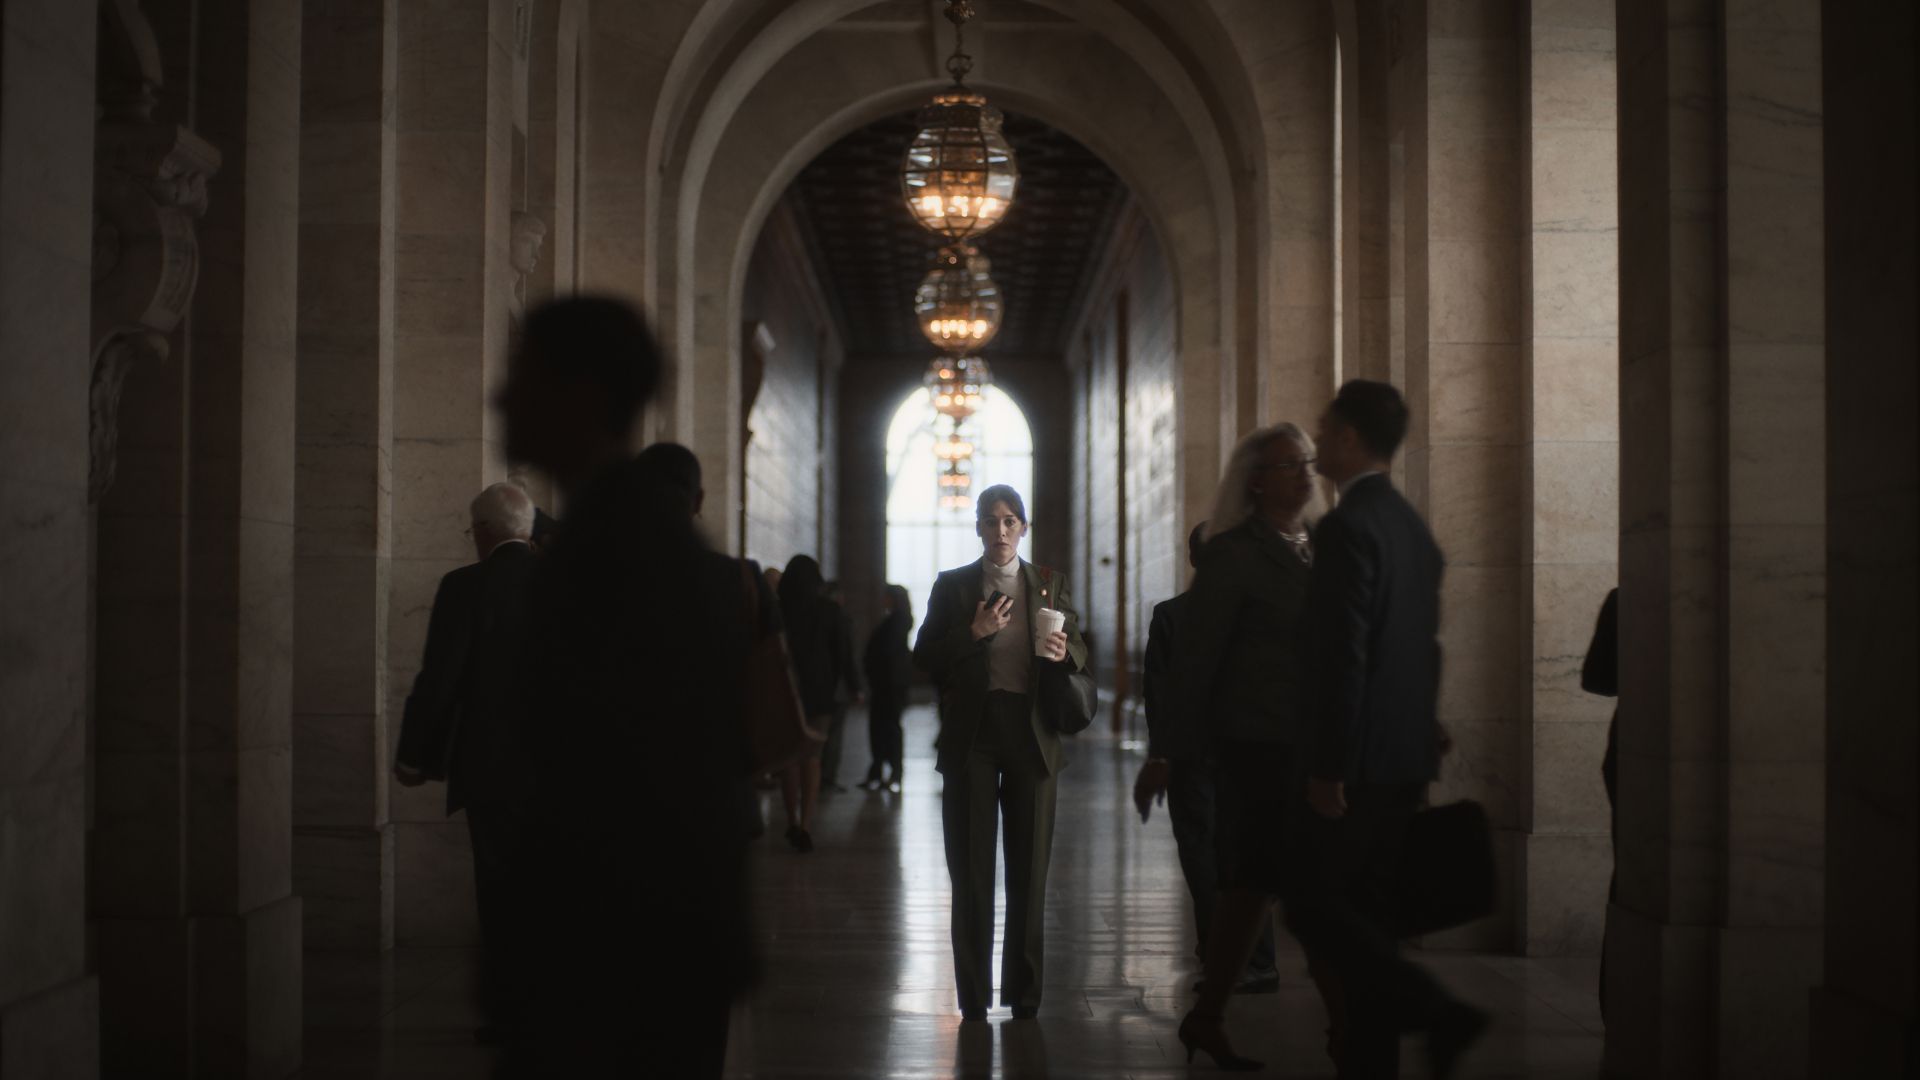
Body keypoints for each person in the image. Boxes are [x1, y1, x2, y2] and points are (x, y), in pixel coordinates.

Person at [493, 296, 754, 1076]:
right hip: (638, 951)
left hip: (619, 960)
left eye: (522, 376)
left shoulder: (619, 551)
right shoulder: (624, 534)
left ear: (583, 395)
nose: (500, 396)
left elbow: (626, 779)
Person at [1289, 379, 1487, 1080]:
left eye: (1322, 431)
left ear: (1347, 438)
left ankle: (1439, 1010)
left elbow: (1347, 653)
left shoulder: (1347, 528)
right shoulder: (1409, 526)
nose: (1314, 449)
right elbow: (1420, 643)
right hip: (1404, 751)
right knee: (1372, 921)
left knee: (1315, 908)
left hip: (1361, 760)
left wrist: (1328, 765)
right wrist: (1424, 719)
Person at [1166, 426, 1320, 1069]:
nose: (1305, 474)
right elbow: (1195, 663)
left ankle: (1208, 1018)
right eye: (1291, 465)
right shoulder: (1232, 554)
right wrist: (1171, 755)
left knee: (1265, 890)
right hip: (1257, 749)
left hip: (1308, 747)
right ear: (1257, 480)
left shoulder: (1324, 547)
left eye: (1308, 461)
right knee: (1294, 891)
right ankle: (1352, 1040)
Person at [914, 485, 1089, 1022]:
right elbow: (923, 659)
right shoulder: (954, 587)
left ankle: (1025, 995)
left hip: (1032, 734)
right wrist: (973, 632)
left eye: (1010, 520)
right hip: (973, 735)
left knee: (1029, 873)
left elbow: (1079, 650)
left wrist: (1063, 652)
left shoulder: (1049, 586)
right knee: (971, 872)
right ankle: (971, 996)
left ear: (1024, 527)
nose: (1000, 530)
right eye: (990, 521)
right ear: (977, 528)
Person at [393, 481, 540, 1044]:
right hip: (563, 770)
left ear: (482, 531)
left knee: (500, 889)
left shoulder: (464, 586)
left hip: (494, 767)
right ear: (525, 529)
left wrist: (416, 756)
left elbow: (441, 681)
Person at [1134, 522, 1282, 1001]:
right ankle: (1252, 962)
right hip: (1242, 759)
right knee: (1241, 858)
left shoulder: (1173, 616)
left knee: (1204, 859)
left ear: (1192, 560)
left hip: (1194, 759)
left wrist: (1161, 756)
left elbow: (1158, 696)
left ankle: (1226, 958)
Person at [776, 555, 860, 850]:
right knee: (812, 756)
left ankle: (790, 820)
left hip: (785, 690)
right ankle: (806, 822)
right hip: (821, 694)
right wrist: (853, 686)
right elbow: (843, 652)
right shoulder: (829, 610)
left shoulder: (777, 609)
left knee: (788, 757)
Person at [1582, 586, 1620, 1019]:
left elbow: (1596, 680)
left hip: (1631, 751)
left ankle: (1616, 1003)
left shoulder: (1624, 598)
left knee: (1628, 878)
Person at [861, 584, 914, 792]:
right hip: (886, 684)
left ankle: (893, 774)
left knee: (889, 728)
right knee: (883, 728)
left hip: (890, 685)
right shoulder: (895, 620)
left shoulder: (898, 621)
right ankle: (879, 772)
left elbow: (887, 654)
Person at [818, 580, 862, 791]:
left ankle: (816, 776)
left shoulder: (812, 615)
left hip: (819, 684)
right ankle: (827, 778)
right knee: (834, 735)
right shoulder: (839, 617)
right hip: (838, 686)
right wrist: (856, 687)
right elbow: (846, 655)